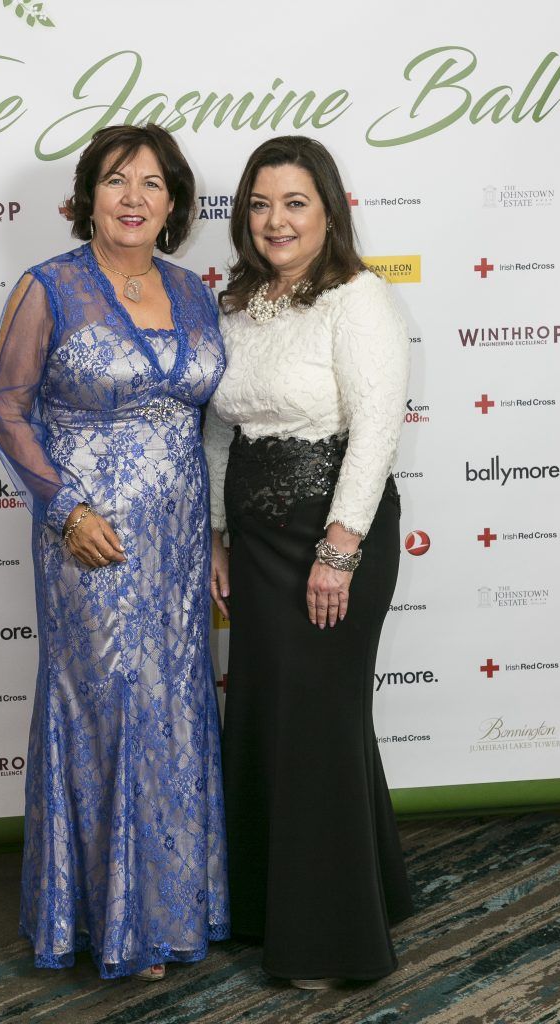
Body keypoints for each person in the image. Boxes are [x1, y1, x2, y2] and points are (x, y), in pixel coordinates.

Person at [0, 124, 229, 981]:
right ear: (88, 194)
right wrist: (63, 508)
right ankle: (110, 923)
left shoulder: (196, 291)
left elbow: (201, 423)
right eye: (117, 180)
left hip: (180, 539)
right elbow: (7, 411)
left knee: (173, 702)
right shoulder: (48, 287)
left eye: (153, 184)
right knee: (111, 704)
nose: (134, 197)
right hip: (90, 540)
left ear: (174, 204)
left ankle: (174, 907)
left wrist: (214, 536)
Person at [203, 135, 413, 988]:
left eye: (294, 203)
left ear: (330, 210)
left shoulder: (358, 297)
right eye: (260, 203)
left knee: (318, 730)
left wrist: (340, 551)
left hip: (335, 539)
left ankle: (330, 941)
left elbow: (377, 428)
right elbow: (221, 426)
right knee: (266, 719)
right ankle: (275, 906)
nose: (275, 220)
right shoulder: (239, 302)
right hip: (254, 545)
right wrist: (218, 532)